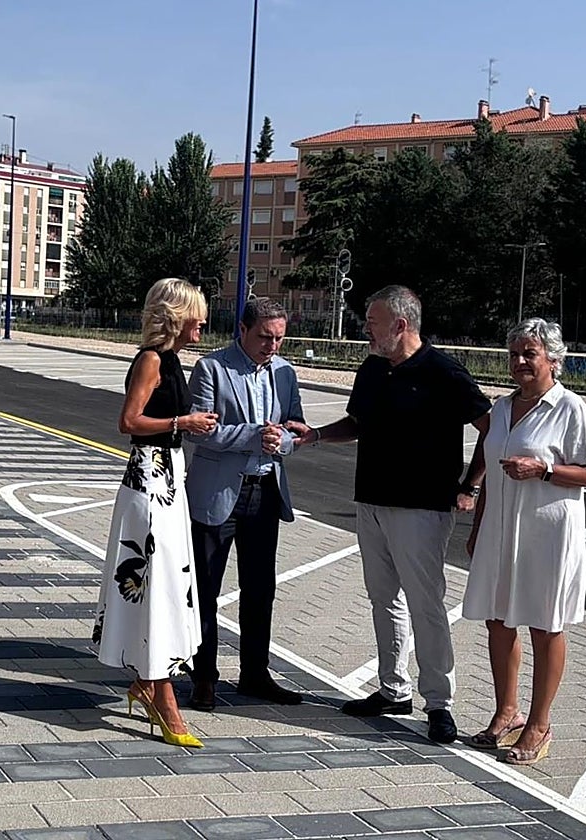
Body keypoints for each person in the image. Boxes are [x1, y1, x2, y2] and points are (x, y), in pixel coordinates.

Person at [291, 285, 490, 743]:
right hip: (372, 502)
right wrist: (317, 436)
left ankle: (439, 702)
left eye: (373, 322)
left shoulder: (443, 371)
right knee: (384, 599)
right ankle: (393, 688)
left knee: (426, 605)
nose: (366, 329)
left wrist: (470, 486)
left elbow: (491, 425)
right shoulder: (373, 368)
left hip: (421, 507)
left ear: (401, 325)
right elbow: (358, 424)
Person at [461, 318, 586, 764]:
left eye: (530, 354)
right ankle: (507, 712)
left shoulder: (570, 409)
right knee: (498, 620)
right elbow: (489, 465)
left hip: (547, 533)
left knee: (544, 624)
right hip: (501, 530)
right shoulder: (501, 409)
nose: (520, 362)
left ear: (553, 361)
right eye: (515, 354)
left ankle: (540, 724)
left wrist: (542, 470)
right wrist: (478, 524)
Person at [93, 278, 218, 748]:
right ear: (176, 316)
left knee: (167, 584)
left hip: (168, 479)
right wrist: (182, 422)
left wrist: (190, 425)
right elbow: (128, 421)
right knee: (157, 585)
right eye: (197, 315)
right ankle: (161, 696)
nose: (203, 323)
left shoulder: (173, 362)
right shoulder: (150, 360)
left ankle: (149, 684)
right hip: (149, 480)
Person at [186, 298, 307, 712]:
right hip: (218, 492)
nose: (272, 346)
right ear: (242, 329)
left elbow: (294, 428)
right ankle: (203, 676)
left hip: (265, 490)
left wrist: (284, 441)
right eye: (264, 337)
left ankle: (255, 674)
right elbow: (200, 431)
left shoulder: (285, 373)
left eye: (278, 339)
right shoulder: (211, 368)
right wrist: (255, 436)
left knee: (260, 589)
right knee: (205, 590)